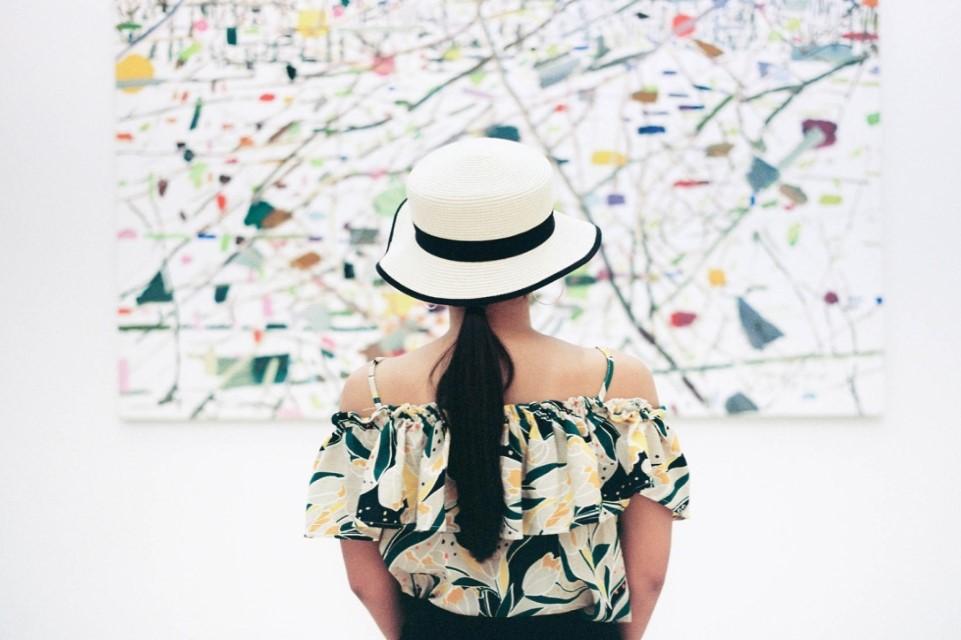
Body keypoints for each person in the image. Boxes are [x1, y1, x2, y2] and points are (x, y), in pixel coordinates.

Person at [304, 137, 692, 640]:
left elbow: (364, 580)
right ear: (541, 260)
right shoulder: (616, 383)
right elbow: (649, 576)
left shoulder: (373, 394)